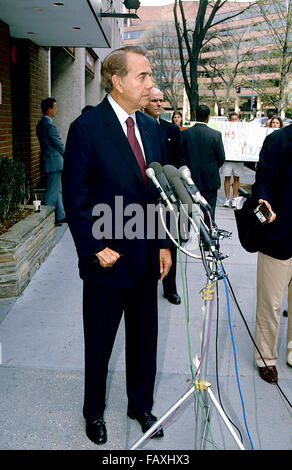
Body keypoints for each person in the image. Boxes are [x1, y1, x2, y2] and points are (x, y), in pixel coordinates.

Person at [62, 46, 172, 445]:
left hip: (145, 258)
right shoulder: (86, 128)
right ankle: (93, 412)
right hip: (106, 262)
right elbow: (75, 197)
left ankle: (140, 406)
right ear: (117, 80)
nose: (150, 84)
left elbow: (159, 195)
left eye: (150, 76)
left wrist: (163, 244)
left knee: (145, 341)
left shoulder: (153, 128)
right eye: (142, 76)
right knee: (101, 342)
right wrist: (94, 246)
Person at [251, 123, 292, 384]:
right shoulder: (278, 140)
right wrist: (262, 203)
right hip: (278, 236)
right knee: (271, 304)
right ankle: (266, 358)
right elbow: (262, 181)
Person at [144, 87, 186, 305]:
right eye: (155, 100)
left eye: (161, 101)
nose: (159, 104)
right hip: (144, 197)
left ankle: (170, 288)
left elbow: (179, 159)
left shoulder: (171, 130)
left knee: (170, 242)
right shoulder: (138, 126)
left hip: (168, 197)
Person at [181, 104, 225, 221]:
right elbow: (221, 158)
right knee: (209, 211)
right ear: (208, 117)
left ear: (195, 115)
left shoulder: (185, 134)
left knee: (189, 211)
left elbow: (181, 157)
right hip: (209, 179)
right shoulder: (215, 135)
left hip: (189, 179)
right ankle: (209, 233)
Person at [36, 97, 66, 225]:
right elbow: (60, 145)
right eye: (55, 107)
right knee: (52, 192)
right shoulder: (50, 126)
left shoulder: (40, 124)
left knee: (57, 190)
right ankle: (47, 219)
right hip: (54, 163)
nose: (56, 110)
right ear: (49, 110)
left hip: (49, 162)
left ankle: (60, 216)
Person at [221, 112, 246, 208]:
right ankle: (227, 198)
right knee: (227, 177)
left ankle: (235, 198)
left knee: (237, 178)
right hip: (228, 157)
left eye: (236, 119)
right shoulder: (226, 130)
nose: (234, 121)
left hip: (238, 157)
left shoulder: (242, 130)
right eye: (232, 119)